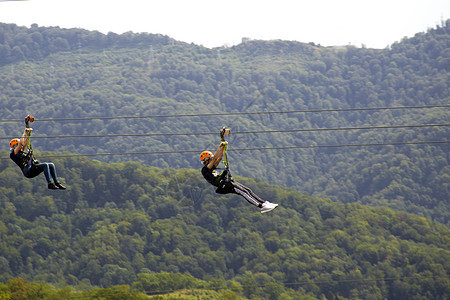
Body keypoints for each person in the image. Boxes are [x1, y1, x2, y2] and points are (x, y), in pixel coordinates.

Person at [200, 141, 278, 213]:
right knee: (243, 192)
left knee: (247, 190)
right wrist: (219, 146)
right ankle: (261, 206)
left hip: (227, 182)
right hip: (224, 185)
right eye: (210, 159)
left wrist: (223, 147)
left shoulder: (212, 167)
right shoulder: (205, 170)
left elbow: (219, 158)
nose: (212, 160)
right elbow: (214, 159)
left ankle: (263, 202)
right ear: (206, 161)